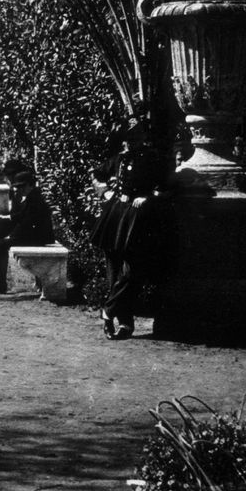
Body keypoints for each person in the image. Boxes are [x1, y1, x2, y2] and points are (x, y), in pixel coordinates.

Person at [90, 122, 168, 340]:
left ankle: (108, 310)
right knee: (113, 270)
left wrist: (148, 197)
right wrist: (104, 192)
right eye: (127, 139)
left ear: (143, 138)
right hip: (116, 216)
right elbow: (97, 174)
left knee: (133, 270)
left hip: (138, 218)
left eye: (135, 138)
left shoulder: (153, 158)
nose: (130, 143)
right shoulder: (119, 158)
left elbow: (166, 185)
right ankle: (125, 324)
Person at [0, 171, 54, 296]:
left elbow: (27, 222)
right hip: (28, 232)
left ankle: (0, 284)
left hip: (39, 236)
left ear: (31, 185)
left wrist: (10, 235)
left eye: (22, 186)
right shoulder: (24, 196)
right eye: (18, 187)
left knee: (0, 245)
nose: (20, 189)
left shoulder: (36, 198)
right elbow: (18, 218)